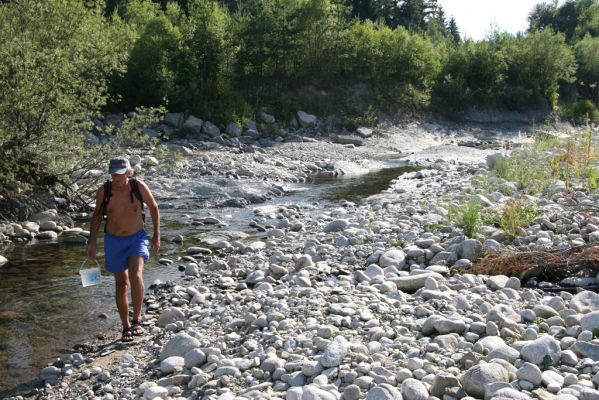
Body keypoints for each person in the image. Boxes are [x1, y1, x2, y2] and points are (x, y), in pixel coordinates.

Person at [86, 156, 160, 342]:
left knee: (136, 274)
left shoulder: (138, 187)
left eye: (119, 173)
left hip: (137, 238)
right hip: (113, 240)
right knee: (121, 283)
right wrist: (92, 242)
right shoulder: (105, 190)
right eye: (113, 173)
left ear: (128, 172)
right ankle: (126, 326)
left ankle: (137, 320)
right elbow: (96, 217)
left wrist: (156, 235)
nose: (116, 177)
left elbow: (153, 207)